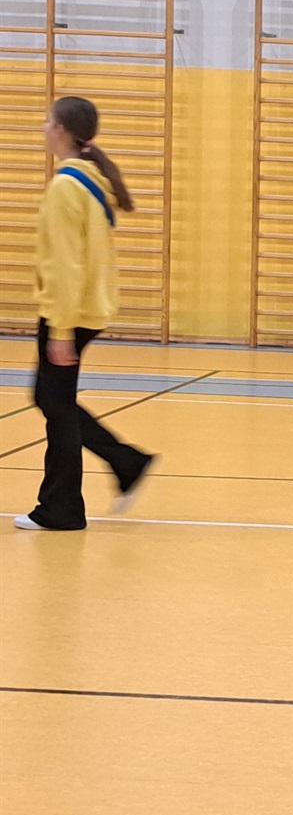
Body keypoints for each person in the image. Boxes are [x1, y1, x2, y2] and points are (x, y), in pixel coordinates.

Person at [15, 96, 156, 531]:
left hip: (69, 312)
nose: (43, 129)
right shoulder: (90, 179)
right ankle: (125, 462)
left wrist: (59, 329)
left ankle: (61, 509)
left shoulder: (66, 187)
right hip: (86, 308)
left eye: (47, 123)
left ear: (61, 131)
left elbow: (65, 264)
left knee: (55, 406)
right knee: (50, 399)